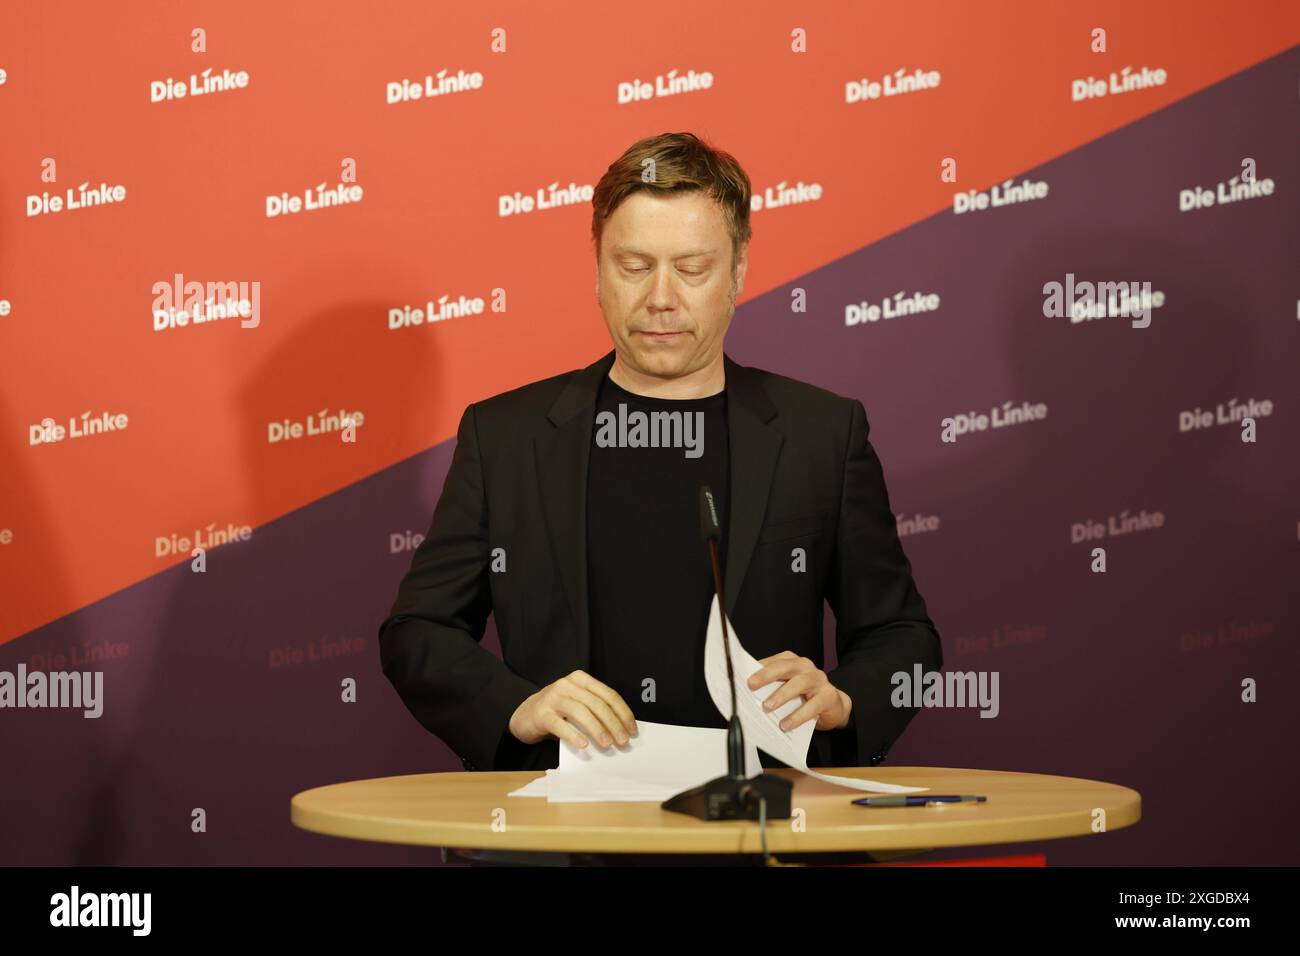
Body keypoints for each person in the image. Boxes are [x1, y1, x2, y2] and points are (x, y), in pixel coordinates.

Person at [378, 131, 942, 774]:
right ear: (597, 269)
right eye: (635, 266)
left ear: (738, 271)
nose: (661, 298)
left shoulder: (822, 433)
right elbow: (417, 631)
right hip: (562, 827)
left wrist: (844, 699)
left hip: (766, 824)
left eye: (693, 268)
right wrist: (516, 705)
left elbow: (902, 637)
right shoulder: (506, 436)